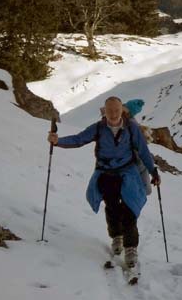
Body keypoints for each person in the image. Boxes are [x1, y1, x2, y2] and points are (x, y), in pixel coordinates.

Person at [48, 95, 160, 274]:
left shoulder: (131, 128)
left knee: (130, 210)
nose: (114, 114)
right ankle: (117, 237)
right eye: (110, 111)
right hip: (106, 173)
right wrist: (58, 141)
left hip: (127, 173)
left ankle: (131, 248)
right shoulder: (99, 128)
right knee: (112, 207)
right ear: (105, 111)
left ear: (121, 110)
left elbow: (143, 150)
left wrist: (153, 171)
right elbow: (79, 139)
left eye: (117, 110)